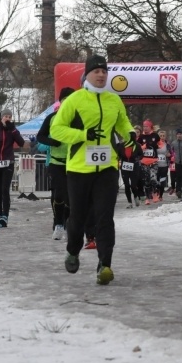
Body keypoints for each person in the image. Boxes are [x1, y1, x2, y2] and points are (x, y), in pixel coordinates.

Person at [50, 54, 134, 286]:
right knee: (78, 216)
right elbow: (56, 130)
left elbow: (122, 123)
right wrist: (83, 135)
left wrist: (130, 136)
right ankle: (73, 250)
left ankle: (105, 265)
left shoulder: (113, 100)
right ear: (87, 74)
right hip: (79, 169)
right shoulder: (75, 100)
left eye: (104, 71)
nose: (101, 75)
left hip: (107, 167)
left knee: (105, 217)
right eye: (96, 71)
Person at [37, 87, 75, 239]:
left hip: (74, 162)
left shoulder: (78, 119)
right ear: (61, 102)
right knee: (59, 194)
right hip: (56, 162)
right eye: (65, 100)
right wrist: (52, 142)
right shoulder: (52, 118)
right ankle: (58, 224)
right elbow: (40, 137)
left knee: (71, 197)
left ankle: (67, 223)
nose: (68, 103)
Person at [137, 120, 160, 204]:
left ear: (150, 127)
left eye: (146, 126)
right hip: (144, 162)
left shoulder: (155, 135)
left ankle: (155, 194)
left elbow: (160, 144)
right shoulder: (141, 137)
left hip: (153, 161)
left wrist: (152, 145)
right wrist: (143, 147)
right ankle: (147, 197)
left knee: (153, 179)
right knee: (146, 180)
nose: (145, 128)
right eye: (144, 126)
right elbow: (138, 147)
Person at [120, 131, 144, 207]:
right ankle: (129, 202)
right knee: (127, 185)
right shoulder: (122, 145)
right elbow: (118, 154)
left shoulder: (137, 145)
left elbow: (141, 155)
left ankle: (136, 197)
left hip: (134, 167)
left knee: (133, 185)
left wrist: (137, 158)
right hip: (125, 167)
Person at [171, 129, 182, 197]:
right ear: (176, 135)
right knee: (178, 176)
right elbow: (171, 151)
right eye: (178, 134)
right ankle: (178, 190)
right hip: (177, 162)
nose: (179, 135)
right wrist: (172, 156)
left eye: (180, 134)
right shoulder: (174, 143)